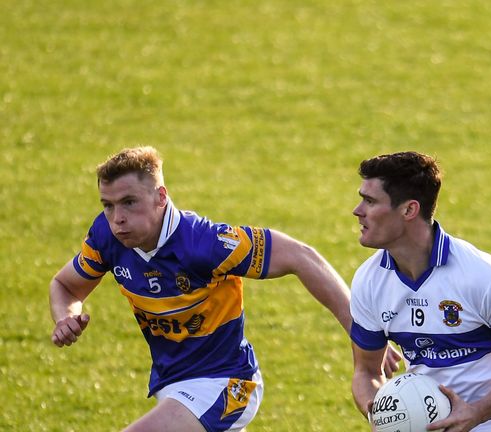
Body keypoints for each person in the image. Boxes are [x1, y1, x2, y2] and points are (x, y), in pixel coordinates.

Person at [49, 146, 399, 432]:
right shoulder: (107, 237)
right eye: (108, 205)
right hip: (173, 386)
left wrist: (362, 335)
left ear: (160, 197)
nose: (117, 218)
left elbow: (301, 256)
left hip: (228, 384)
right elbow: (65, 285)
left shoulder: (205, 243)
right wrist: (65, 317)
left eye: (129, 202)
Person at [349, 151, 491, 432]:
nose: (357, 210)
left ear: (409, 210)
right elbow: (366, 371)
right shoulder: (369, 280)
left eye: (370, 201)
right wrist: (382, 414)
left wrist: (476, 413)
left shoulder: (482, 276)